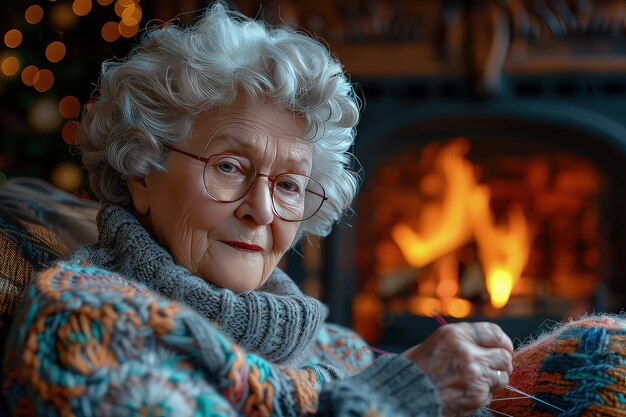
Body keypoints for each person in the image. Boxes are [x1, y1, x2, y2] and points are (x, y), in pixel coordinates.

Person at [1, 2, 513, 416]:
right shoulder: (83, 319)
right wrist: (405, 396)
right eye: (228, 166)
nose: (263, 210)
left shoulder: (336, 347)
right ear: (141, 170)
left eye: (290, 184)